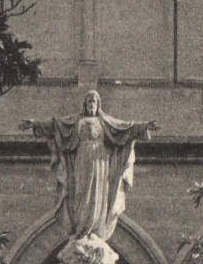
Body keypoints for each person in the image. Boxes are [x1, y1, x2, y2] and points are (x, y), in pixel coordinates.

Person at [22, 90, 155, 245]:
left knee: (98, 194)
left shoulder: (104, 122)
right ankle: (81, 230)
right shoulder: (77, 121)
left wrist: (145, 126)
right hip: (82, 160)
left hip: (100, 161)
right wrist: (35, 123)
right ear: (85, 104)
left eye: (94, 102)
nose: (92, 105)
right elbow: (56, 125)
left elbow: (125, 128)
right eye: (89, 102)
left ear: (98, 105)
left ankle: (95, 231)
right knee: (81, 193)